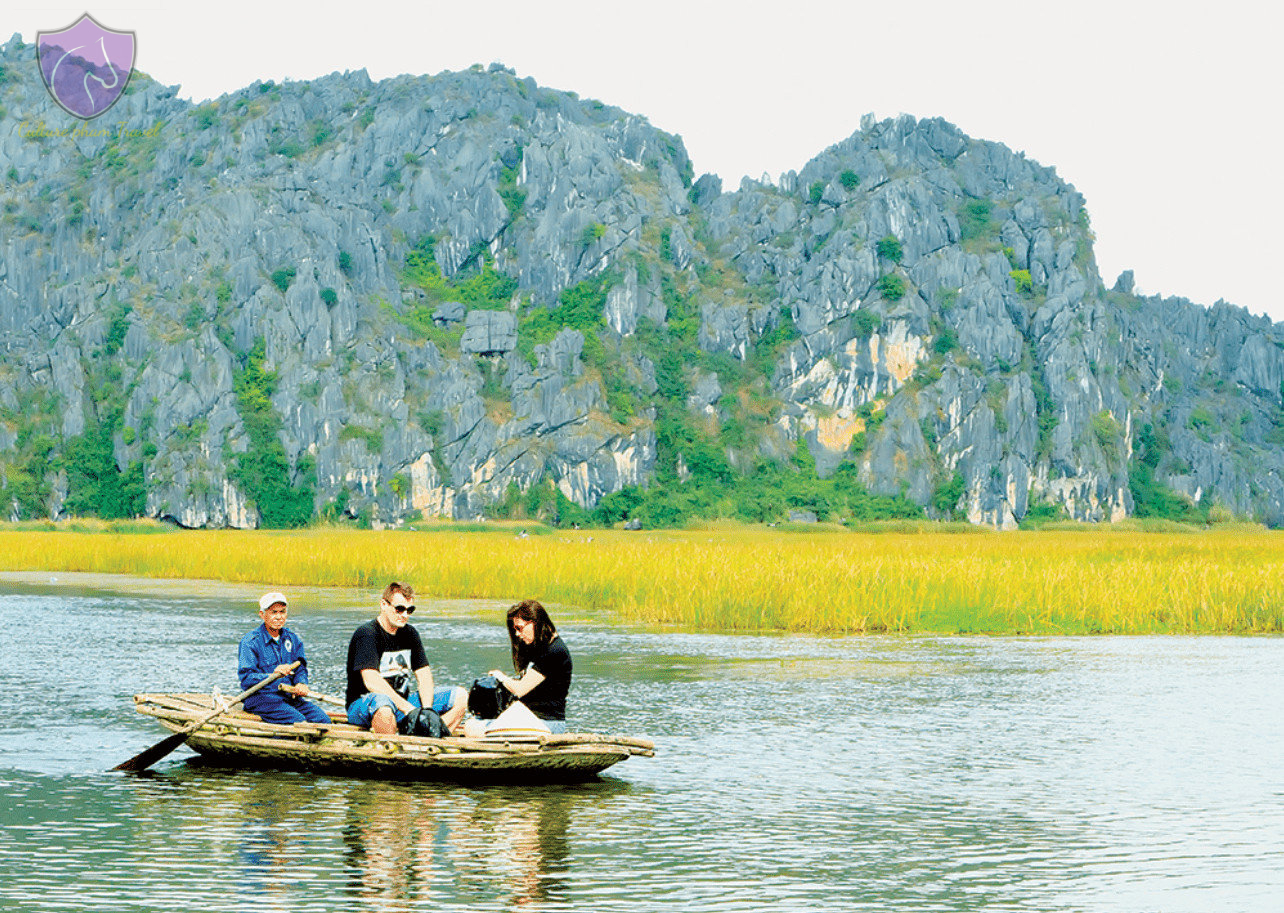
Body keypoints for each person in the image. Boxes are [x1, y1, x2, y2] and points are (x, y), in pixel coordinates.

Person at [345, 582, 467, 735]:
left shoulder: (410, 634)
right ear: (384, 604)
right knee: (383, 705)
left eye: (410, 610)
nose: (404, 615)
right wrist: (408, 709)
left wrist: (427, 710)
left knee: (461, 696)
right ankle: (391, 750)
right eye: (399, 609)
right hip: (365, 704)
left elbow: (424, 675)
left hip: (403, 703)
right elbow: (372, 681)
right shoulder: (367, 634)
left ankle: (433, 738)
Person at [238, 592, 330, 725]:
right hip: (261, 699)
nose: (279, 617)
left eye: (282, 612)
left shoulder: (292, 639)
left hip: (288, 697)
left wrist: (301, 683)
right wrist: (272, 675)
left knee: (323, 720)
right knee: (298, 721)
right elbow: (246, 679)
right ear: (262, 615)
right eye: (274, 612)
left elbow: (300, 668)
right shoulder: (250, 642)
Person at [488, 599, 572, 734]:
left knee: (479, 730)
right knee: (473, 725)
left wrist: (501, 677)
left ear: (535, 622)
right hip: (529, 718)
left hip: (547, 723)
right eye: (515, 629)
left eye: (519, 628)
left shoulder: (555, 651)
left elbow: (520, 689)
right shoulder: (537, 647)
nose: (517, 634)